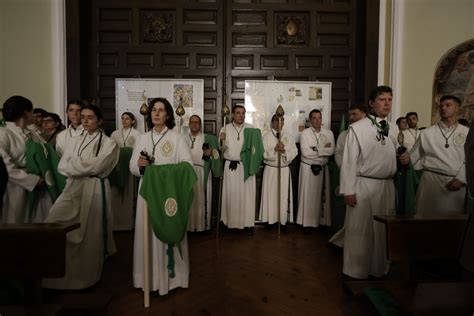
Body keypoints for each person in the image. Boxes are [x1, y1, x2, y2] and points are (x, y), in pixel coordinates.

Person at [42, 105, 119, 289]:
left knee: (90, 234)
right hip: (72, 187)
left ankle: (85, 279)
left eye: (90, 117)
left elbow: (97, 167)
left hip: (94, 187)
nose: (84, 120)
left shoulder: (109, 143)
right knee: (53, 222)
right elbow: (62, 166)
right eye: (82, 117)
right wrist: (81, 165)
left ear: (99, 120)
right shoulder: (74, 140)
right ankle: (57, 278)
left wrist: (74, 165)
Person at [340, 85, 409, 279]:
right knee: (359, 230)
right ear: (371, 103)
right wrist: (348, 190)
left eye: (390, 99)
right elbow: (349, 161)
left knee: (382, 231)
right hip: (363, 185)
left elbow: (395, 153)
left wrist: (404, 158)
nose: (387, 103)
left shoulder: (394, 128)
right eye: (382, 99)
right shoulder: (358, 128)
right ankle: (354, 271)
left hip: (387, 185)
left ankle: (378, 269)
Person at [130, 97, 193, 295]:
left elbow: (188, 166)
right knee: (147, 232)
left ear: (168, 115)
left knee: (169, 231)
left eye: (161, 110)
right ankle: (149, 279)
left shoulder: (176, 138)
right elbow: (132, 166)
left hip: (168, 195)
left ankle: (172, 279)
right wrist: (140, 166)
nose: (157, 113)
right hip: (148, 194)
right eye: (154, 110)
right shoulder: (141, 138)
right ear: (149, 114)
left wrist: (161, 172)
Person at [410, 95, 468, 215]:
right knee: (425, 222)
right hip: (430, 183)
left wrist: (461, 179)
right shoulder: (426, 133)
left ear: (457, 108)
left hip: (456, 183)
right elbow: (412, 158)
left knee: (452, 225)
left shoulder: (466, 132)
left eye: (448, 105)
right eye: (441, 106)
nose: (443, 108)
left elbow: (471, 159)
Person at [0, 96, 44, 223]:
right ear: (25, 112)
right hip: (14, 187)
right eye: (32, 110)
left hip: (37, 186)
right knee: (15, 222)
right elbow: (3, 164)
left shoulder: (32, 134)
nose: (34, 114)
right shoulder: (4, 133)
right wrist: (32, 180)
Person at [220, 105, 263, 230]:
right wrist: (221, 141)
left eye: (243, 113)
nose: (241, 115)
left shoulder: (251, 129)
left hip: (246, 166)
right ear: (233, 114)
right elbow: (221, 150)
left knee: (246, 196)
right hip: (230, 166)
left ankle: (246, 223)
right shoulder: (225, 128)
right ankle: (231, 223)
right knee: (231, 194)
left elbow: (257, 148)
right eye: (238, 113)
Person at [330, 104, 367, 247]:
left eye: (355, 114)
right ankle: (348, 241)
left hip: (365, 177)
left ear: (364, 115)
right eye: (350, 115)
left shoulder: (370, 132)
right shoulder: (344, 134)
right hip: (350, 176)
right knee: (353, 214)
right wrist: (344, 167)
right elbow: (339, 153)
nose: (351, 118)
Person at [297, 109, 335, 227]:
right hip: (308, 169)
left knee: (322, 197)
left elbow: (332, 150)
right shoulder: (305, 133)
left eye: (319, 118)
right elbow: (305, 152)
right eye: (314, 118)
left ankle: (321, 222)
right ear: (310, 120)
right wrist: (323, 151)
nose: (317, 120)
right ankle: (306, 223)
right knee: (308, 196)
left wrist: (316, 149)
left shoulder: (329, 133)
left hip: (323, 169)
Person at [259, 114, 298, 225]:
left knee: (283, 196)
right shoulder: (266, 137)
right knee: (270, 196)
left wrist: (284, 151)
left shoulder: (289, 137)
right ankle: (270, 221)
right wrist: (275, 150)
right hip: (271, 170)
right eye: (276, 120)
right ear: (273, 122)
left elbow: (295, 152)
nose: (279, 123)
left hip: (284, 170)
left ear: (284, 122)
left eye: (282, 120)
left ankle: (282, 220)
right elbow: (262, 154)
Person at [185, 115, 221, 232]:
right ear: (189, 124)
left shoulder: (207, 138)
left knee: (201, 199)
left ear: (200, 125)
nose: (194, 124)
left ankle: (202, 226)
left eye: (197, 122)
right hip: (188, 172)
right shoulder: (183, 138)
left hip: (202, 172)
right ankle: (189, 227)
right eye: (192, 122)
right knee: (189, 200)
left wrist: (212, 152)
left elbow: (216, 155)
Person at [110, 112, 141, 231]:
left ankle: (129, 224)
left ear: (132, 121)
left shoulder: (137, 134)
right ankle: (116, 223)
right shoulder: (115, 134)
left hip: (129, 169)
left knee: (129, 194)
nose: (124, 121)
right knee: (116, 195)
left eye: (127, 119)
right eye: (122, 119)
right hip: (117, 168)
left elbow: (138, 150)